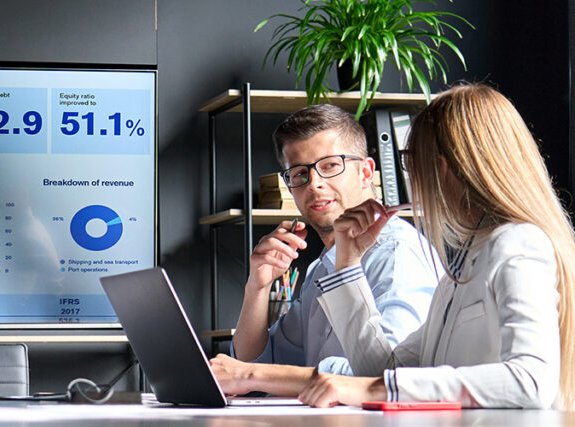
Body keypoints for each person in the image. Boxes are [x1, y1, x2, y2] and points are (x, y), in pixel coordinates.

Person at [217, 83, 575, 409]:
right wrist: (347, 266)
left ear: (446, 168)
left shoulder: (518, 243)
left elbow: (532, 381)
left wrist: (373, 389)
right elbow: (383, 368)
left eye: (410, 162)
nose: (410, 178)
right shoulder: (463, 266)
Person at [215, 104, 439, 391]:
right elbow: (261, 362)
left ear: (366, 172)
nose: (314, 184)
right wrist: (256, 288)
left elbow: (390, 376)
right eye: (299, 174)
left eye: (331, 166)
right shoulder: (321, 268)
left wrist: (250, 375)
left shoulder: (397, 255)